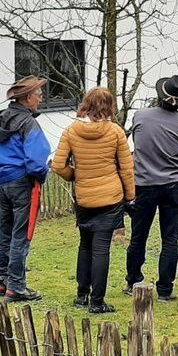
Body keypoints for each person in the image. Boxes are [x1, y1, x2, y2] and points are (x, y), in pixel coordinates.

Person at [51, 87, 134, 314]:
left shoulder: (71, 131)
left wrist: (76, 176)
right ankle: (97, 301)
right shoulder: (116, 132)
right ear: (109, 106)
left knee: (85, 245)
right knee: (101, 250)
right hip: (110, 195)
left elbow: (58, 166)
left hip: (85, 196)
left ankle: (82, 294)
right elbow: (127, 168)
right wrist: (130, 196)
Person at [0, 76, 52, 302]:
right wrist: (40, 175)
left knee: (4, 232)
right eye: (39, 96)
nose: (41, 100)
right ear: (28, 97)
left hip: (1, 182)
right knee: (21, 234)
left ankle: (0, 282)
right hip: (23, 182)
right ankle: (17, 286)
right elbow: (37, 159)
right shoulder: (28, 123)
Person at [125, 75, 178, 302]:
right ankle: (165, 289)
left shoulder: (140, 116)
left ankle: (133, 280)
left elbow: (136, 142)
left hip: (144, 184)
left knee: (138, 236)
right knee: (170, 238)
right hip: (171, 185)